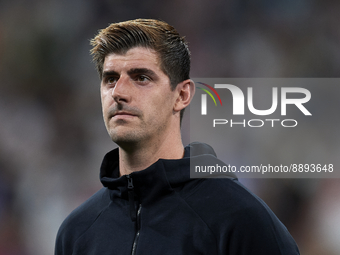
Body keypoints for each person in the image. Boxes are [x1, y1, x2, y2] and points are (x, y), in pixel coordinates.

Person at [55, 19, 300, 255]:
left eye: (141, 78)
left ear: (182, 95)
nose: (119, 93)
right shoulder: (76, 233)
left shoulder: (238, 218)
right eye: (110, 79)